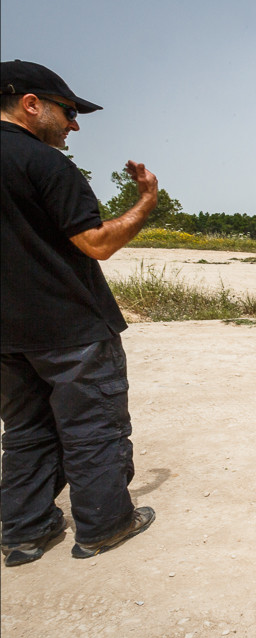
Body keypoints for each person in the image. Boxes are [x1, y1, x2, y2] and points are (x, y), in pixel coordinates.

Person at [1, 60, 157, 566]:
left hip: (6, 336)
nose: (74, 124)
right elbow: (95, 243)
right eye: (68, 111)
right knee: (93, 428)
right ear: (30, 104)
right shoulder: (46, 164)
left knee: (25, 431)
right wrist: (144, 203)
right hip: (71, 331)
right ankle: (105, 525)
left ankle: (25, 531)